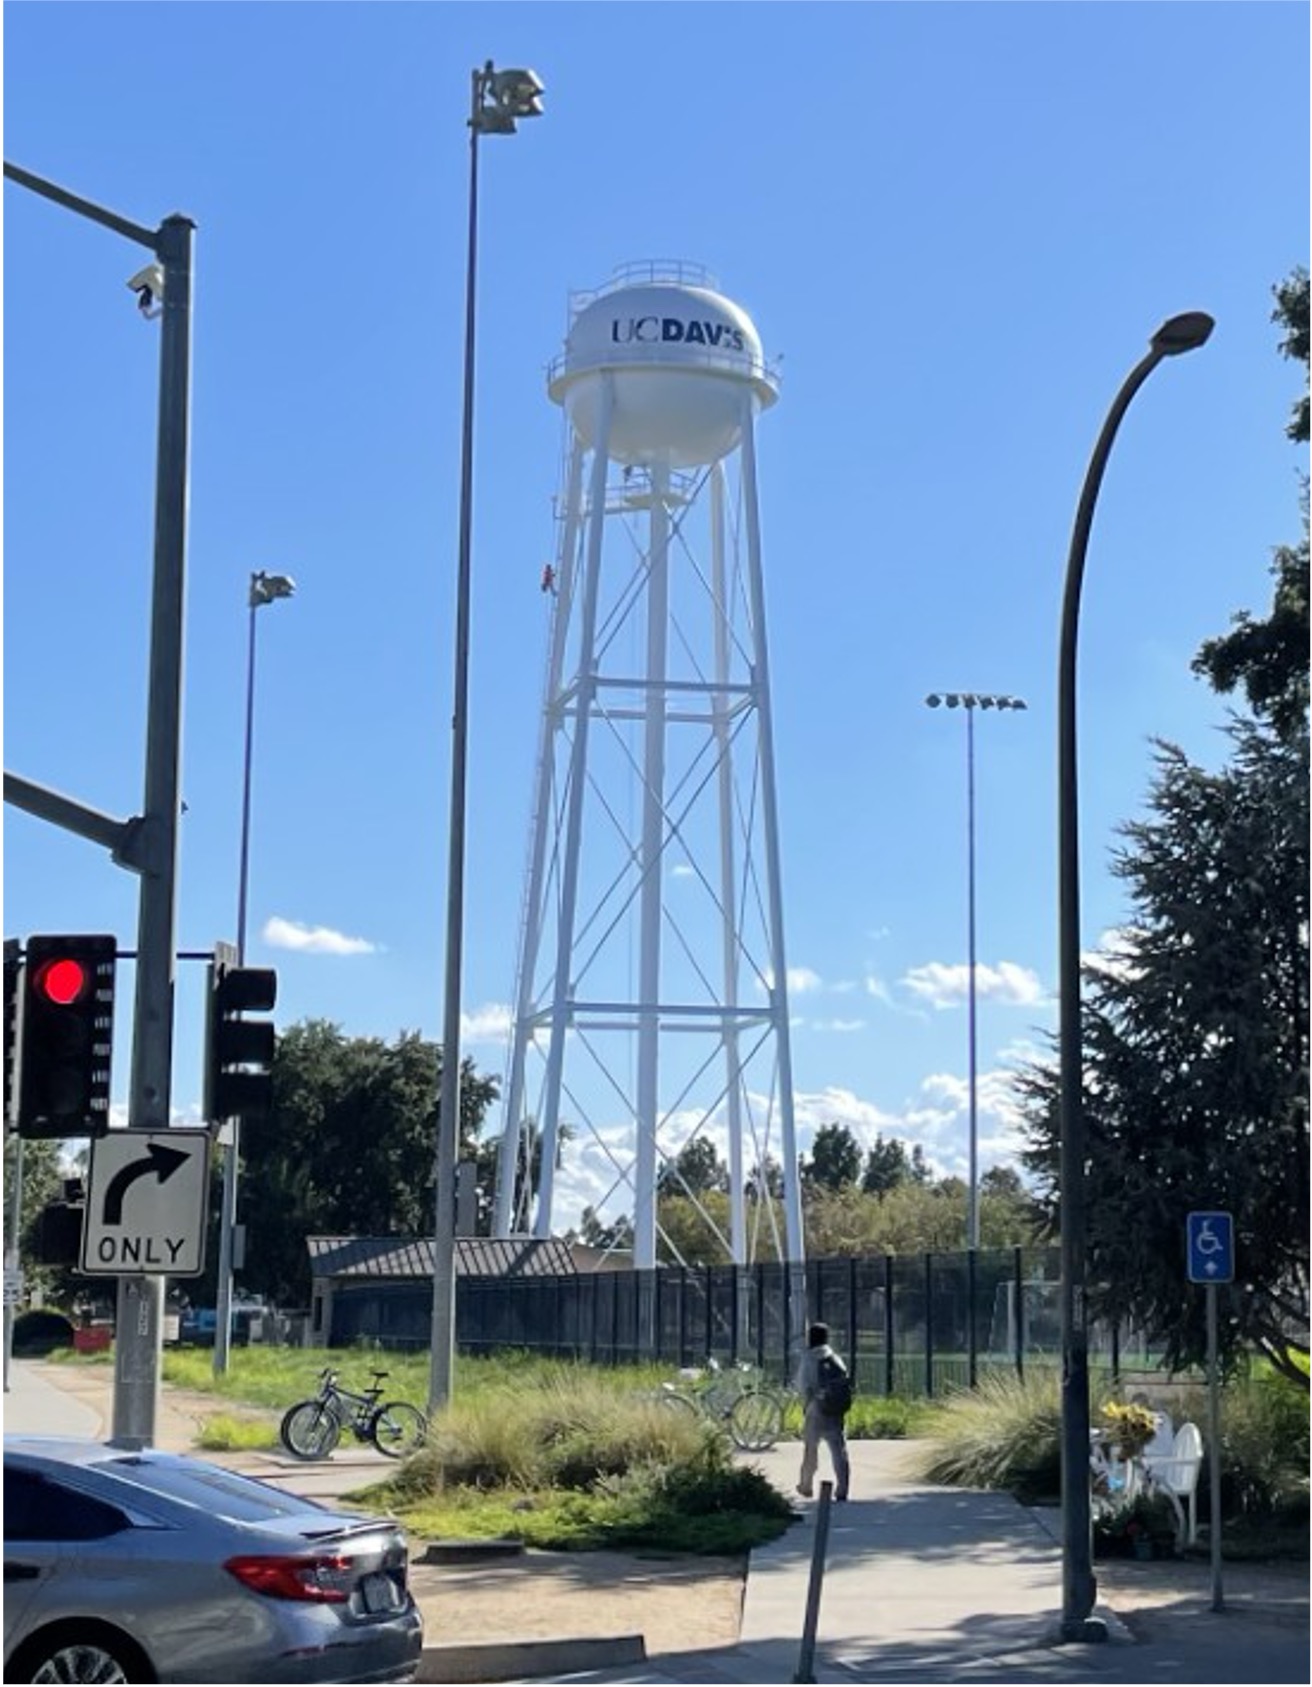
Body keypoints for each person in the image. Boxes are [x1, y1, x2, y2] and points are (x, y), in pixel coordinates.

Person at [794, 1320, 851, 1502]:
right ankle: (842, 1488)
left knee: (811, 1450)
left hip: (815, 1410)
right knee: (838, 1451)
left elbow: (803, 1386)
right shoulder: (834, 1359)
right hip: (835, 1411)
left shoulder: (809, 1358)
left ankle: (806, 1485)